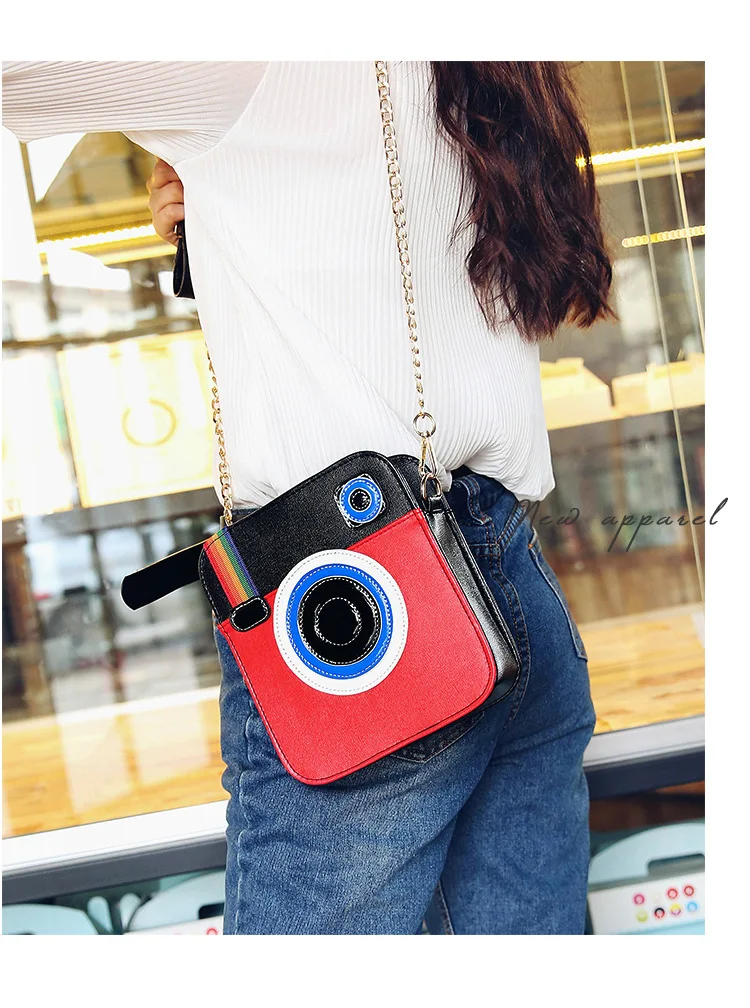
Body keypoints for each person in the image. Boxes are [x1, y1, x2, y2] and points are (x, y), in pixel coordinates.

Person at [2, 61, 612, 935]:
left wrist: (205, 132)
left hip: (366, 596)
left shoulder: (248, 55)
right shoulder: (479, 68)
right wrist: (220, 198)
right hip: (508, 572)